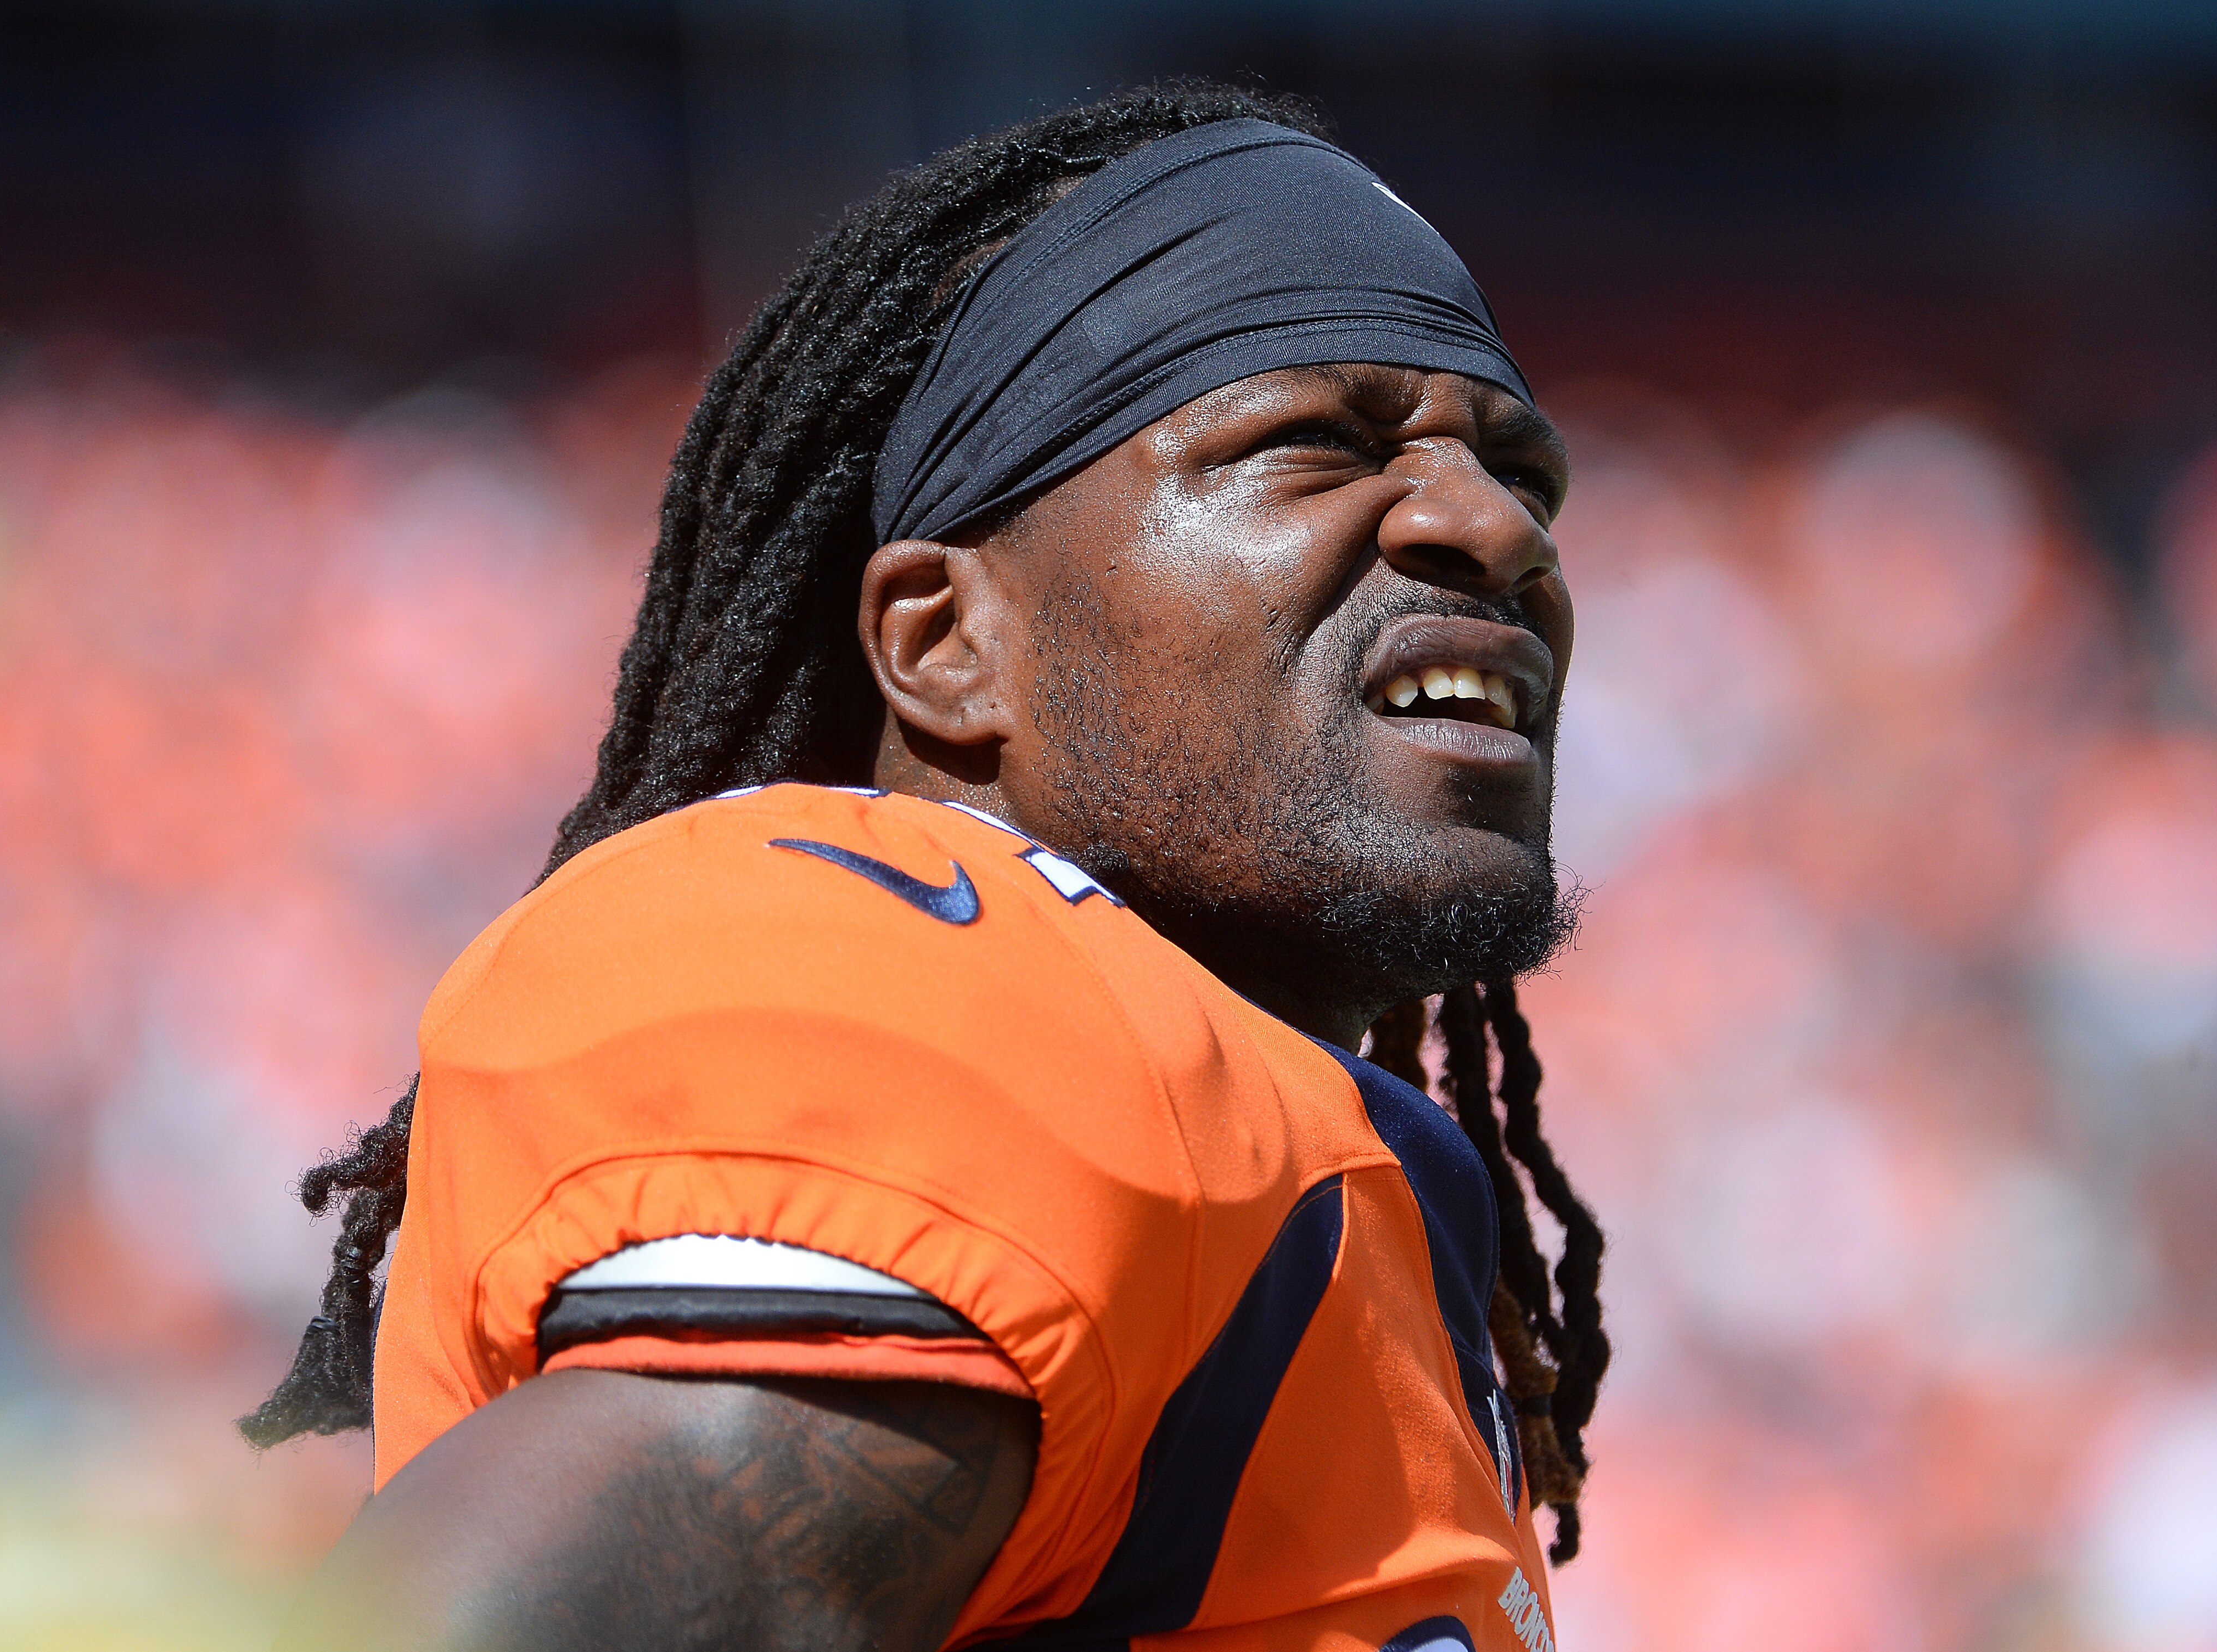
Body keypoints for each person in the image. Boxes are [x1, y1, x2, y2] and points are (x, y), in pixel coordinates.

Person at [249, 82, 1609, 1652]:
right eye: (1316, 447)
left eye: (1524, 478)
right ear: (947, 642)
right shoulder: (968, 999)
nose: (1492, 527)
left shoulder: (1299, 1164)